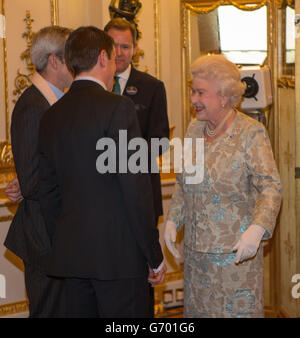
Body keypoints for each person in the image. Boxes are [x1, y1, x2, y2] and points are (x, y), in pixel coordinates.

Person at [38, 26, 166, 318]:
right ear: (103, 58)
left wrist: (67, 240)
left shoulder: (51, 116)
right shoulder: (118, 108)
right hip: (119, 261)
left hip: (72, 259)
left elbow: (47, 194)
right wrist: (153, 255)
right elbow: (136, 190)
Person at [164, 54, 282, 318]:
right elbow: (185, 183)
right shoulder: (195, 130)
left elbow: (271, 187)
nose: (193, 99)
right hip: (197, 262)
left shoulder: (250, 133)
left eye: (201, 92)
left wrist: (257, 228)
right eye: (192, 91)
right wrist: (173, 221)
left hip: (236, 259)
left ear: (225, 96)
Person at [4, 26, 73, 317]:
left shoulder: (56, 102)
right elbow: (33, 183)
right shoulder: (33, 106)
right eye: (72, 56)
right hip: (44, 239)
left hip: (56, 235)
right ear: (54, 61)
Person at [104, 18, 169, 316]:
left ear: (135, 48)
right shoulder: (92, 87)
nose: (119, 52)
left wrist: (117, 158)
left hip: (141, 197)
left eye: (125, 46)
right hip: (100, 203)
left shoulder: (152, 87)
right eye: (113, 45)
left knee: (140, 286)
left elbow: (159, 143)